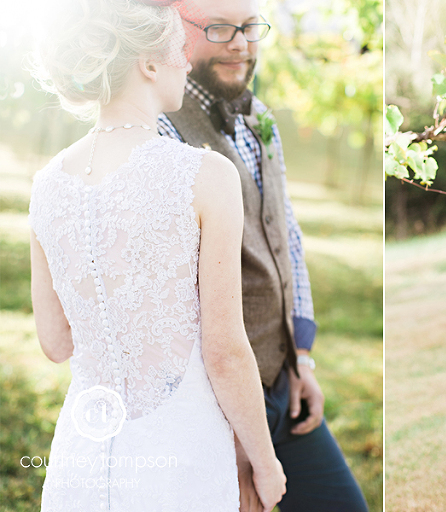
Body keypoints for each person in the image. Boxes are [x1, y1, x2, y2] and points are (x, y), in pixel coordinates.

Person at [28, 0, 286, 510]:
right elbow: (226, 351)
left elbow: (56, 343)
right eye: (176, 48)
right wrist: (265, 460)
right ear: (148, 62)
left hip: (83, 453)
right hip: (179, 456)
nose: (186, 62)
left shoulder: (46, 185)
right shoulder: (204, 176)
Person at [156, 0, 368, 510]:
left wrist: (302, 358)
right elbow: (169, 297)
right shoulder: (162, 132)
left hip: (280, 380)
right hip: (211, 401)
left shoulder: (261, 119)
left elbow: (286, 237)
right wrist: (232, 430)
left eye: (250, 27)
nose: (241, 43)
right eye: (220, 27)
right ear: (171, 27)